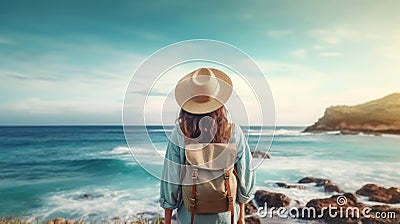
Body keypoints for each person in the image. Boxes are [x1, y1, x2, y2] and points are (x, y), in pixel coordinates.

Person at [159, 68, 255, 224]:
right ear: (219, 101)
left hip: (190, 217)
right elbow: (245, 174)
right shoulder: (233, 132)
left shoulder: (180, 133)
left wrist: (167, 220)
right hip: (227, 215)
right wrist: (241, 217)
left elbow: (170, 178)